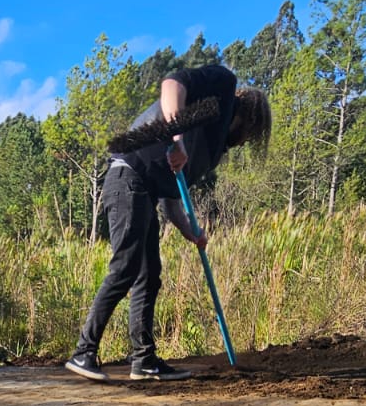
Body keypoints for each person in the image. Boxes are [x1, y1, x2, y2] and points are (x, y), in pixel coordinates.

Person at [66, 64, 271, 382]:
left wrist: (191, 232)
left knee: (150, 277)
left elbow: (173, 196)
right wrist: (176, 139)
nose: (245, 142)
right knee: (126, 268)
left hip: (146, 191)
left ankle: (144, 362)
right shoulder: (222, 87)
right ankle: (83, 353)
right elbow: (172, 84)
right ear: (250, 119)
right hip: (127, 178)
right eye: (251, 134)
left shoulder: (210, 147)